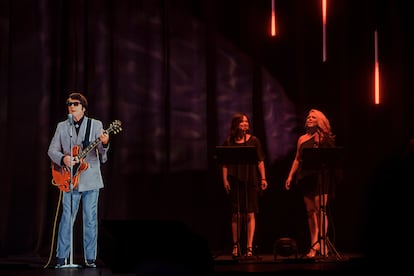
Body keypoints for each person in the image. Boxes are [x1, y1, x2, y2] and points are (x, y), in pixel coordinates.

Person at [48, 92, 110, 268]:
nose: (71, 106)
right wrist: (63, 159)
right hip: (68, 178)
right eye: (69, 103)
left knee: (90, 219)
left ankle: (90, 259)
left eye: (75, 103)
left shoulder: (95, 125)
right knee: (67, 217)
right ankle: (62, 258)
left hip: (90, 178)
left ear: (83, 107)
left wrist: (104, 143)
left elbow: (102, 155)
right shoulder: (62, 127)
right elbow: (52, 150)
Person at [285, 109, 336, 258]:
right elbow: (297, 159)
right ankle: (314, 243)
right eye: (308, 117)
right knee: (310, 212)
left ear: (319, 120)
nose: (309, 119)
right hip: (306, 177)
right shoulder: (302, 139)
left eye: (313, 117)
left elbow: (331, 159)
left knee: (321, 210)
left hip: (321, 177)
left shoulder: (325, 138)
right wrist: (290, 176)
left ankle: (323, 242)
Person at [221, 112, 268, 258]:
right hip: (235, 180)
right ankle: (236, 246)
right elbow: (224, 163)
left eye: (246, 122)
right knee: (236, 213)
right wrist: (225, 180)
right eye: (242, 122)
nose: (245, 125)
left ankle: (249, 247)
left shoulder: (254, 141)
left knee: (250, 213)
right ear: (236, 125)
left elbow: (260, 161)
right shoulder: (229, 141)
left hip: (251, 179)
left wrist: (263, 178)